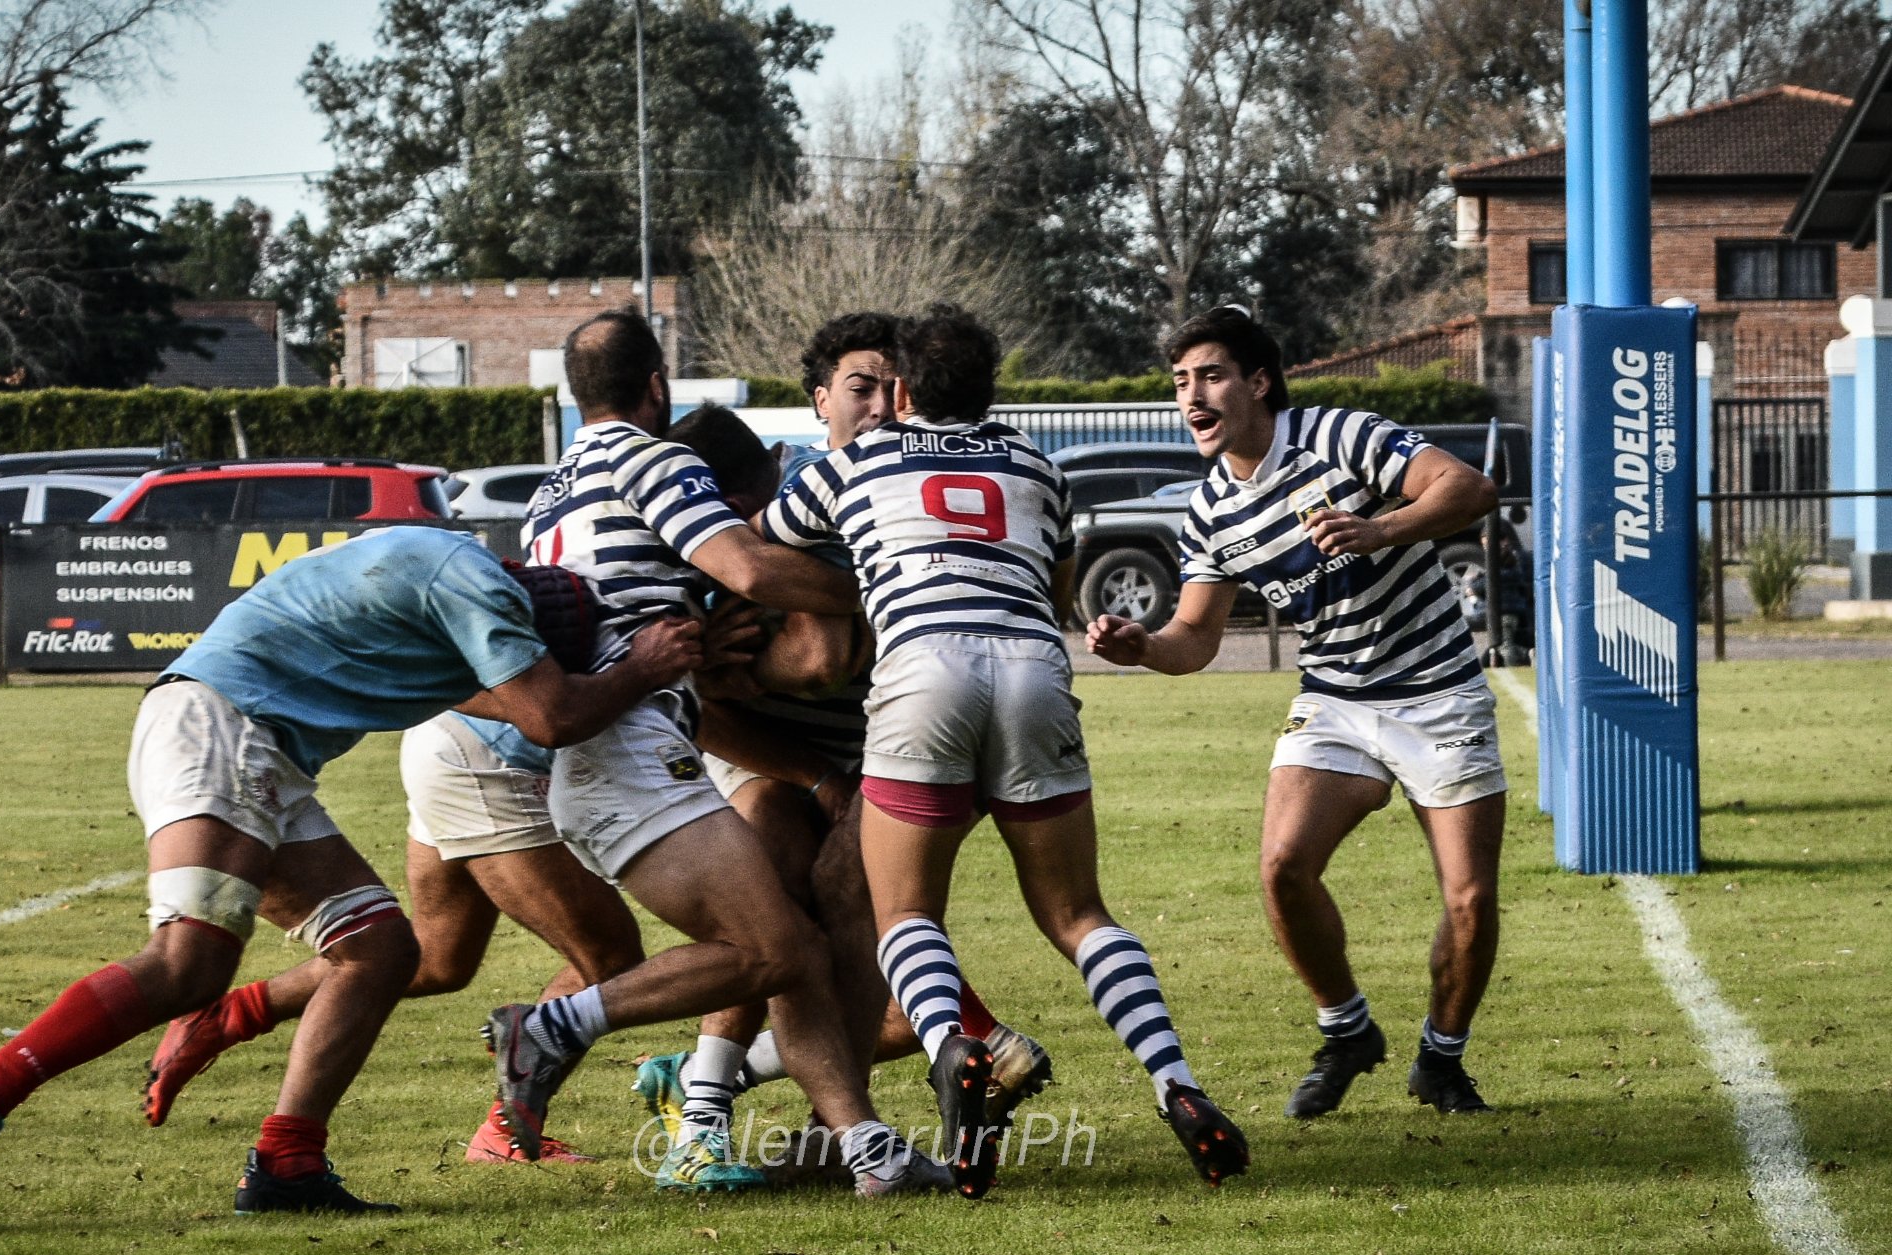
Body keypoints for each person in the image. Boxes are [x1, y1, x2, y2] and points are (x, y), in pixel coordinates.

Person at [0, 525, 703, 1233]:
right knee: (187, 961)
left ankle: (288, 1163)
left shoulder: (436, 571)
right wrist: (642, 668)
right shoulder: (478, 584)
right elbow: (549, 713)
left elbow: (491, 697)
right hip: (228, 727)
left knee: (383, 950)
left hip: (254, 741)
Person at [136, 407, 789, 1168]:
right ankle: (506, 1131)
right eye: (748, 509)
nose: (750, 528)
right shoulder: (668, 546)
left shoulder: (624, 538)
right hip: (490, 759)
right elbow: (546, 693)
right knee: (608, 951)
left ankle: (229, 1015)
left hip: (456, 752)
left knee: (437, 958)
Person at [766, 302, 1248, 1199]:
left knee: (904, 914)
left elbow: (765, 544)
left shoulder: (852, 459)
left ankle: (955, 1050)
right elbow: (1058, 577)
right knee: (1078, 915)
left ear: (902, 389)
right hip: (1033, 667)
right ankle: (1176, 1082)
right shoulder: (1037, 462)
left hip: (922, 671)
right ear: (993, 390)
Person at [489, 310, 951, 1198]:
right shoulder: (652, 457)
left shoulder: (554, 487)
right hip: (631, 751)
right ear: (657, 387)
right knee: (775, 949)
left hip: (607, 752)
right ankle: (553, 1029)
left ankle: (867, 1156)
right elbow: (749, 565)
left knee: (792, 945)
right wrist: (899, 585)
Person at [643, 313, 1055, 1183]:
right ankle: (709, 1115)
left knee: (845, 913)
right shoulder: (747, 512)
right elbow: (700, 704)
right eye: (855, 387)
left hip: (905, 747)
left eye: (887, 386)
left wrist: (834, 621)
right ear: (818, 398)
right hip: (783, 757)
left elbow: (820, 655)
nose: (874, 403)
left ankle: (835, 1126)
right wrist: (794, 748)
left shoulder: (906, 485)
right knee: (769, 894)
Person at [1086, 305, 1504, 1118]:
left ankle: (1441, 1060)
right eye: (1180, 382)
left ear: (1259, 382)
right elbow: (1196, 638)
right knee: (1282, 865)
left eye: (1209, 375)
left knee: (1469, 900)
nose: (1192, 396)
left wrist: (1377, 527)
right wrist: (1142, 645)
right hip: (1336, 700)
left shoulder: (1340, 437)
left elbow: (1469, 488)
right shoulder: (1210, 508)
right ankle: (1347, 1029)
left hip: (1439, 691)